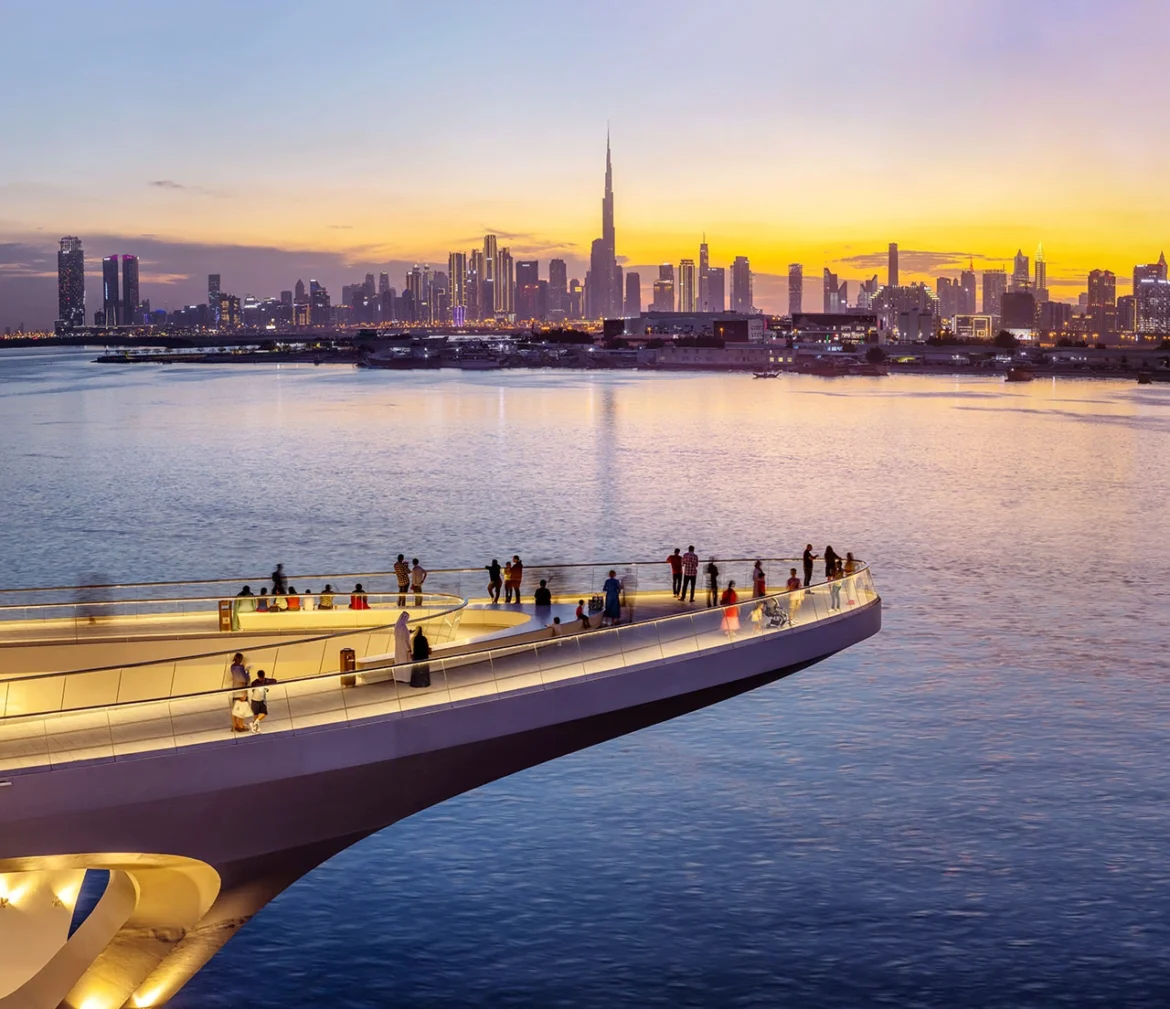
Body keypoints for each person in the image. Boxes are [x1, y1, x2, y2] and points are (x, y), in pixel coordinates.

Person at [248, 669, 276, 733]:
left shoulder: (266, 681)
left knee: (264, 713)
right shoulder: (254, 683)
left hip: (262, 700)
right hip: (255, 700)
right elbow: (252, 689)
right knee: (256, 714)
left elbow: (274, 680)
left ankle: (253, 723)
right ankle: (256, 727)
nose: (261, 679)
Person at [229, 652, 250, 732]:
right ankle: (240, 725)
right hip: (241, 689)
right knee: (242, 709)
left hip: (235, 688)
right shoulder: (241, 668)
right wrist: (247, 671)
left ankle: (235, 725)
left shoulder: (232, 667)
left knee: (235, 709)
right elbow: (244, 679)